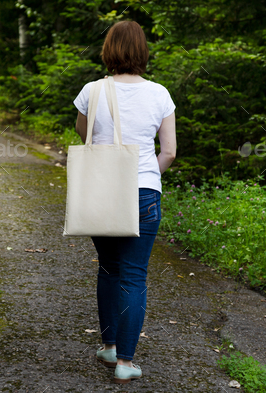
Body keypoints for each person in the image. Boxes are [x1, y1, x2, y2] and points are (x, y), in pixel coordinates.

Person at [72, 20, 177, 384]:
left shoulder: (92, 90)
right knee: (134, 274)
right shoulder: (160, 94)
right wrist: (149, 175)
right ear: (143, 52)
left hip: (101, 191)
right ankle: (125, 363)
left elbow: (85, 136)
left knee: (108, 268)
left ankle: (110, 346)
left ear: (109, 50)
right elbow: (170, 152)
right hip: (145, 193)